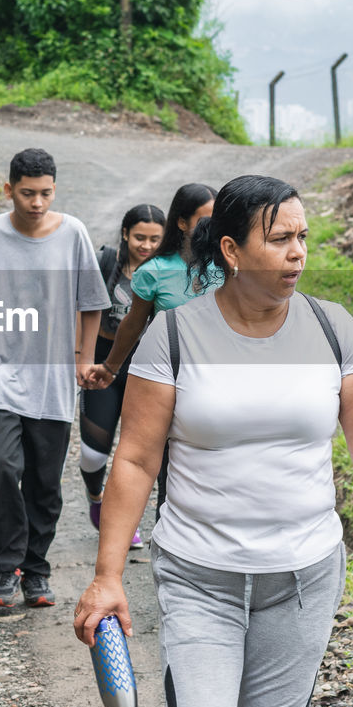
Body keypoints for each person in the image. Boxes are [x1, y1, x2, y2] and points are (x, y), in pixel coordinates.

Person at [73, 175, 353, 707]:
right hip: (199, 576)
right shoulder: (175, 334)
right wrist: (107, 575)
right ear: (231, 251)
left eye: (303, 237)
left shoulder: (334, 330)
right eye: (280, 238)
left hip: (302, 577)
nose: (297, 253)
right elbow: (137, 460)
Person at [0, 148, 110, 609]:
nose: (36, 202)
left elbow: (92, 302)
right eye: (26, 193)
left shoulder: (73, 233)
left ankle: (35, 570)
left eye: (45, 193)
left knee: (43, 482)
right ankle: (4, 568)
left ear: (54, 190)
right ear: (8, 190)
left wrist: (84, 358)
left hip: (52, 376)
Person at [84, 182, 217, 515]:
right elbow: (131, 324)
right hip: (171, 388)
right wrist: (110, 368)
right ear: (183, 223)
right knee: (170, 474)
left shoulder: (228, 266)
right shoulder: (155, 272)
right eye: (205, 220)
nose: (213, 228)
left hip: (219, 386)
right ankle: (171, 550)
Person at [80, 203, 165, 547]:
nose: (145, 245)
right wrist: (82, 358)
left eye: (154, 239)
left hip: (143, 367)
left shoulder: (166, 270)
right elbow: (82, 309)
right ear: (126, 234)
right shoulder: (105, 263)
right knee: (93, 455)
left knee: (133, 452)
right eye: (139, 237)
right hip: (102, 363)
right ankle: (96, 497)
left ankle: (125, 522)